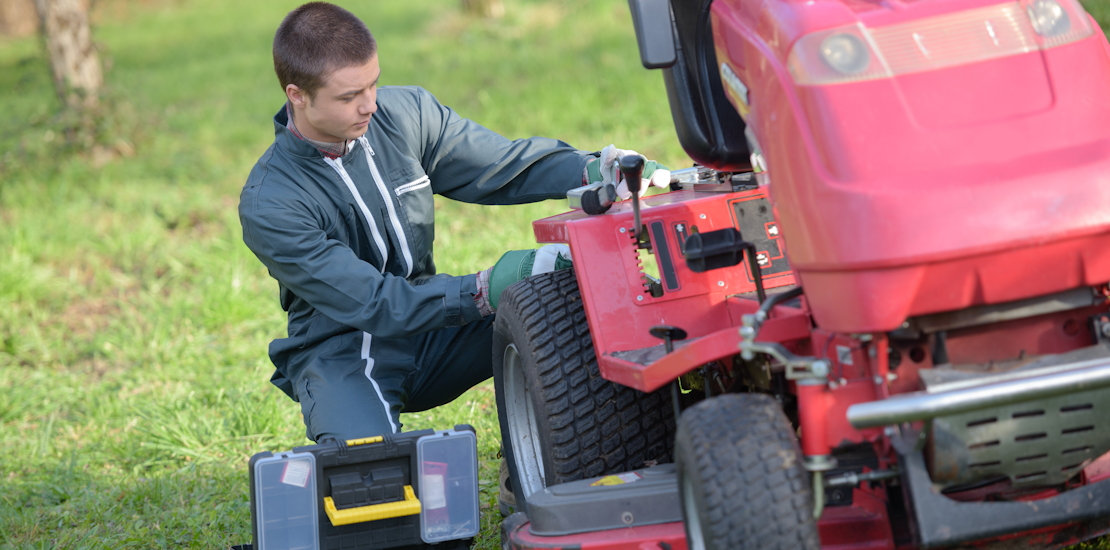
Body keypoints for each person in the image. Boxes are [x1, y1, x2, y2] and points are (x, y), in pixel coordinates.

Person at [239, 1, 669, 445]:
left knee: (581, 296)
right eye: (348, 96)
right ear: (298, 96)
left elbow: (501, 164)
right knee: (369, 474)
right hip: (342, 350)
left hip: (435, 327)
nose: (369, 105)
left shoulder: (404, 115)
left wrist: (591, 170)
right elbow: (372, 302)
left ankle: (555, 452)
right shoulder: (270, 202)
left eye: (373, 84)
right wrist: (485, 288)